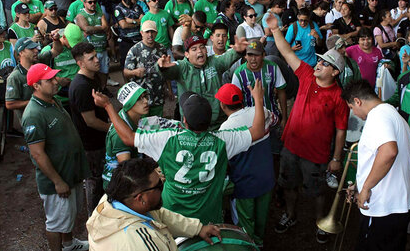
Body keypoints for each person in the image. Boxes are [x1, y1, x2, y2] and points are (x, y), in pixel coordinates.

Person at [92, 78, 265, 225]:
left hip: (172, 213)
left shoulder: (166, 138)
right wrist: (258, 99)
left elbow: (129, 137)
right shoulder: (223, 140)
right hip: (207, 215)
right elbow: (258, 130)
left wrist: (108, 105)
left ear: (184, 120)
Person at [265, 15, 348, 243]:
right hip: (291, 147)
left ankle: (321, 222)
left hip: (317, 155)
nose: (318, 64)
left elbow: (341, 130)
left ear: (335, 72)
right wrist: (275, 30)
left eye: (325, 63)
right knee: (288, 185)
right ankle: (290, 215)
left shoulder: (339, 98)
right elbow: (287, 52)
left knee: (318, 192)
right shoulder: (306, 75)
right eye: (319, 61)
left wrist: (337, 158)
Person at [22, 63, 90, 251]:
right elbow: (37, 153)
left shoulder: (53, 100)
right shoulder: (33, 114)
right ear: (36, 86)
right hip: (57, 178)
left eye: (54, 77)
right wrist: (57, 181)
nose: (55, 81)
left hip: (70, 171)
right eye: (49, 79)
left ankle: (68, 244)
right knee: (56, 223)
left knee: (68, 216)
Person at [342, 80, 410, 251]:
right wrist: (360, 185)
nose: (353, 112)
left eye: (351, 108)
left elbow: (389, 151)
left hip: (385, 206)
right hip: (398, 202)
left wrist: (366, 187)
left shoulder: (378, 116)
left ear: (357, 101)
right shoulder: (392, 114)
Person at [87, 157, 222, 250]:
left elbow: (159, 215)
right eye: (158, 186)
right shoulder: (141, 243)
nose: (162, 185)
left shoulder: (114, 199)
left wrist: (197, 228)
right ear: (140, 198)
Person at [216, 83, 277, 246]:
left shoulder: (225, 128)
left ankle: (249, 247)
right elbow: (275, 119)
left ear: (222, 105)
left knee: (244, 222)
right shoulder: (261, 111)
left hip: (244, 184)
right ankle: (260, 241)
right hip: (267, 178)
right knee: (261, 216)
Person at [157, 35, 249, 129]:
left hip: (217, 124)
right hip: (192, 127)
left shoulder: (214, 62)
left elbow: (226, 58)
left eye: (202, 47)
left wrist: (237, 51)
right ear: (187, 54)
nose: (200, 51)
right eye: (194, 49)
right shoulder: (182, 67)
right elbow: (170, 71)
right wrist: (162, 68)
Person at [69, 42, 110, 216]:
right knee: (94, 183)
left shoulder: (94, 78)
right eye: (91, 58)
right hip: (91, 144)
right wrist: (113, 128)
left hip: (99, 140)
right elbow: (91, 121)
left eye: (96, 55)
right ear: (80, 63)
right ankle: (93, 220)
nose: (97, 60)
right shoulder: (81, 86)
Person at [124, 20, 167, 116]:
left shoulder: (162, 48)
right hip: (141, 98)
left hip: (158, 95)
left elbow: (166, 71)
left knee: (157, 124)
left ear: (156, 33)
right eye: (147, 32)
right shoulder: (134, 50)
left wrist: (170, 90)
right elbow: (125, 72)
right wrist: (134, 72)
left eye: (152, 32)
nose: (150, 35)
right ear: (141, 33)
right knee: (142, 126)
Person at [75, 0, 109, 87]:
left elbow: (106, 27)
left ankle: (103, 88)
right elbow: (86, 29)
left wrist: (95, 29)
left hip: (102, 48)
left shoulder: (100, 13)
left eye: (94, 2)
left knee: (104, 71)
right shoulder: (80, 15)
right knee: (93, 72)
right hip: (90, 50)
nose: (92, 4)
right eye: (90, 2)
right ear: (84, 3)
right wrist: (101, 28)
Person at [114, 0, 144, 69]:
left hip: (138, 39)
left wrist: (132, 21)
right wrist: (138, 22)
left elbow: (143, 20)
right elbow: (123, 25)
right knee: (126, 66)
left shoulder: (137, 7)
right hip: (126, 41)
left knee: (141, 64)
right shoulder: (118, 8)